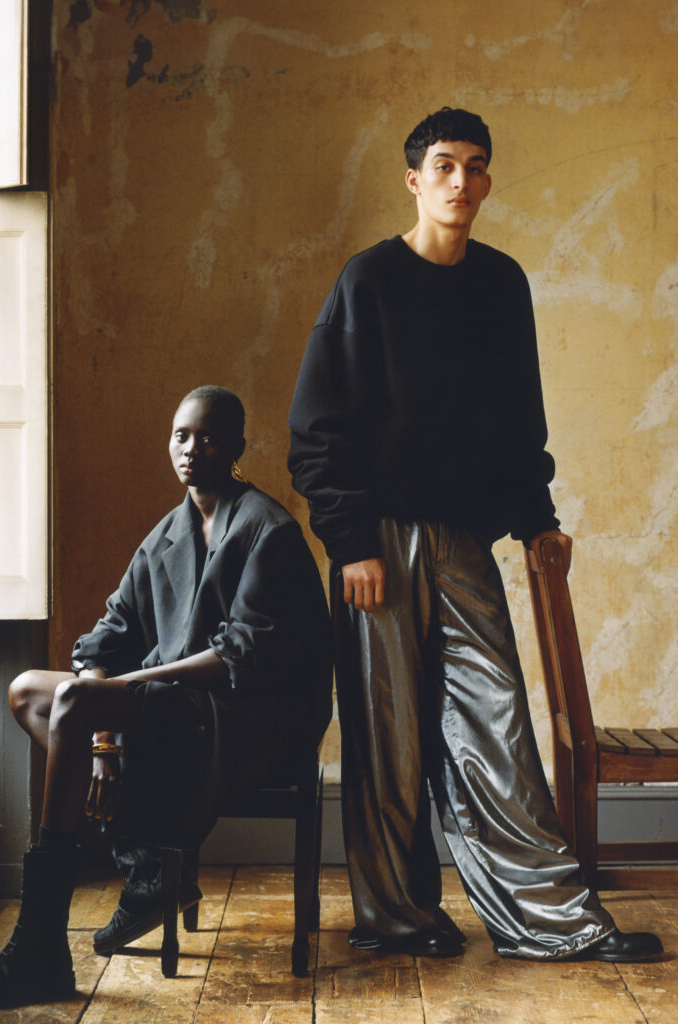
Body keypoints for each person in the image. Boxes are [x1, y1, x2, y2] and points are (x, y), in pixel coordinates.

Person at [288, 107, 662, 962]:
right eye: (444, 166)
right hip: (375, 542)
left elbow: (516, 421)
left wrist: (537, 519)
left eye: (476, 166)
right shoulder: (367, 281)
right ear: (414, 180)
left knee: (496, 722)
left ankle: (551, 921)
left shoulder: (500, 284)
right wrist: (349, 542)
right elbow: (316, 429)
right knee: (388, 739)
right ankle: (397, 918)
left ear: (487, 181)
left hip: (462, 541)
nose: (462, 181)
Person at [0, 385, 333, 1007]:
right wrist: (103, 744)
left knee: (75, 700)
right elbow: (104, 638)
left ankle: (43, 943)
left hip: (252, 716)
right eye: (181, 435)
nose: (191, 449)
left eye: (208, 438)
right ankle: (147, 866)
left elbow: (239, 656)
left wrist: (120, 691)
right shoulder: (167, 534)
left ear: (236, 447)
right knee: (27, 692)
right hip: (177, 708)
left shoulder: (267, 530)